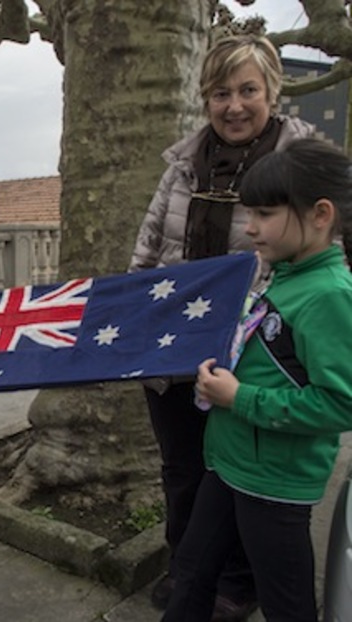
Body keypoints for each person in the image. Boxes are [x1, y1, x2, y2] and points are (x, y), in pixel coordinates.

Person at [129, 34, 316, 620]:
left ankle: (238, 583)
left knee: (240, 474)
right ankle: (189, 567)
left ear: (273, 91)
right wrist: (135, 316)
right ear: (204, 98)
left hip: (255, 354)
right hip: (174, 350)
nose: (234, 105)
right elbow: (150, 243)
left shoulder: (304, 162)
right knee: (184, 469)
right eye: (219, 92)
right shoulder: (183, 164)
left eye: (247, 90)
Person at [163, 138, 352, 621]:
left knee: (285, 603)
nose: (250, 228)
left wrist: (239, 397)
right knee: (190, 572)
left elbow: (339, 405)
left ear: (320, 214)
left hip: (275, 485)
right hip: (229, 466)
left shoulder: (330, 295)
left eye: (265, 214)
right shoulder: (286, 274)